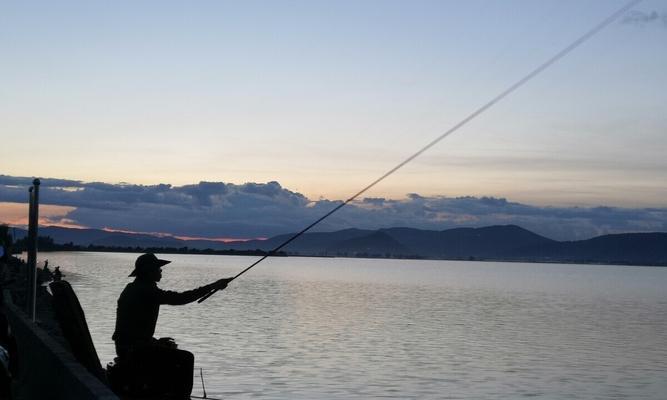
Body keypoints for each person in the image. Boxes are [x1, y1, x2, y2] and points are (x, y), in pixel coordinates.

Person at [111, 253, 232, 398]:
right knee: (187, 358)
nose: (161, 271)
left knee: (168, 349)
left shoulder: (135, 288)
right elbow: (180, 298)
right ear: (149, 271)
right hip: (133, 348)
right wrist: (213, 286)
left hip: (130, 345)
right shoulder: (146, 290)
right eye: (158, 268)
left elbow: (132, 328)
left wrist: (154, 341)